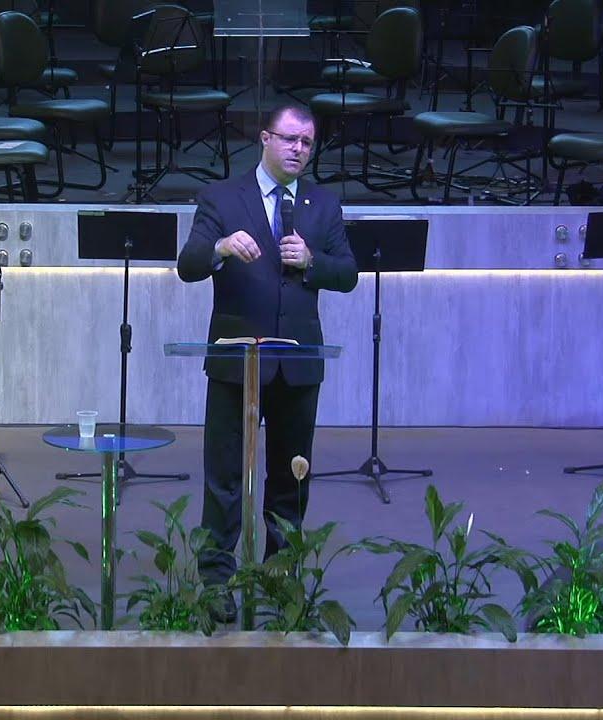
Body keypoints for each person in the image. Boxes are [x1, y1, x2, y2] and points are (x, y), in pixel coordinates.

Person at [176, 105, 359, 621]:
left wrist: (313, 262)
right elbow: (188, 265)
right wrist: (220, 246)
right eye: (290, 139)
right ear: (265, 138)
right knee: (224, 478)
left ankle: (281, 580)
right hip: (236, 362)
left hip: (298, 364)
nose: (299, 149)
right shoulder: (221, 198)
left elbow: (347, 273)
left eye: (307, 142)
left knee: (290, 479)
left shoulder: (324, 205)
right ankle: (217, 583)